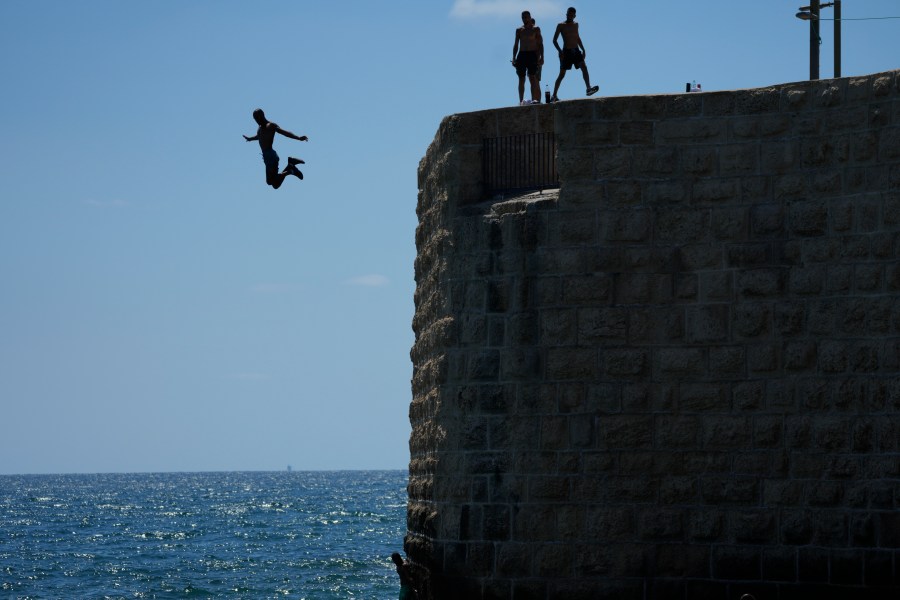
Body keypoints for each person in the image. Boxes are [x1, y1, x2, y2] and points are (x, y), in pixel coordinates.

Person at [243, 108, 308, 189]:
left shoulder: (270, 125)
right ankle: (290, 166)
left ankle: (290, 170)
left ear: (262, 116)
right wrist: (250, 139)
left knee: (270, 181)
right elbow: (259, 137)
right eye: (255, 119)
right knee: (275, 184)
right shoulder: (260, 128)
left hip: (271, 156)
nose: (256, 120)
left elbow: (285, 133)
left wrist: (298, 137)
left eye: (257, 118)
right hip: (266, 157)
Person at [550, 6, 600, 102]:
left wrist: (583, 49)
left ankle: (588, 88)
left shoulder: (576, 24)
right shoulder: (561, 25)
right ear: (566, 14)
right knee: (561, 75)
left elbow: (577, 38)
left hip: (576, 50)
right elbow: (554, 40)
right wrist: (560, 51)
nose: (569, 16)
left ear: (574, 16)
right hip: (566, 52)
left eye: (572, 15)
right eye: (568, 14)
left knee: (584, 67)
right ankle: (554, 95)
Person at [512, 10, 543, 105]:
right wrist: (514, 57)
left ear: (530, 17)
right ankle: (521, 100)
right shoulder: (519, 30)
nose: (524, 19)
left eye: (526, 17)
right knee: (521, 78)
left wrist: (542, 57)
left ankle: (534, 99)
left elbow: (540, 44)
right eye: (523, 17)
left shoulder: (536, 29)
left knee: (532, 78)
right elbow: (516, 44)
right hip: (522, 55)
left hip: (532, 55)